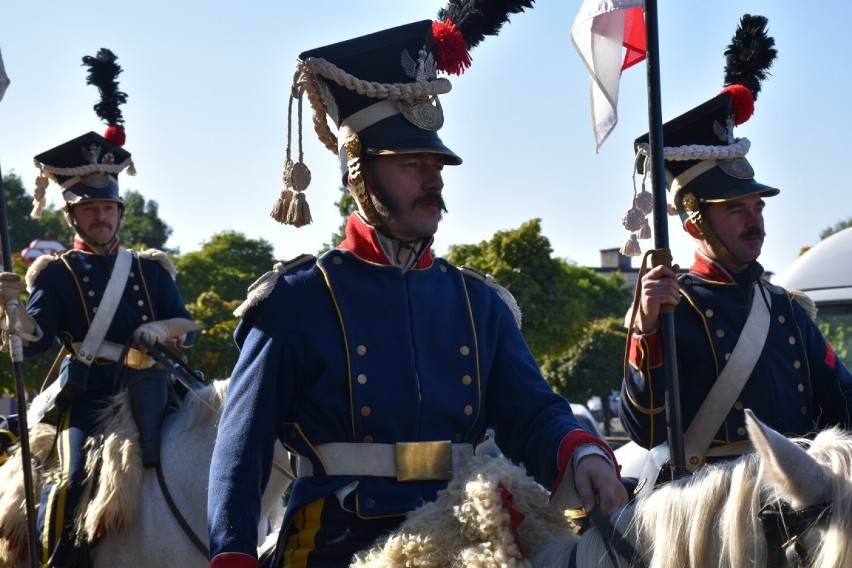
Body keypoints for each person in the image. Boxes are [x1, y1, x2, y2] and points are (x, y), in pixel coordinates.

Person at [207, 16, 627, 568]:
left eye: (438, 164)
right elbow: (241, 452)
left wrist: (582, 452)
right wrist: (232, 554)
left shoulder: (479, 305)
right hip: (336, 543)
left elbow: (534, 413)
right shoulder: (295, 300)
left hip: (471, 535)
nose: (435, 181)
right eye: (412, 165)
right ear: (358, 175)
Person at [619, 15, 852, 469]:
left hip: (798, 507)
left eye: (757, 207)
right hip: (709, 513)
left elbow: (841, 403)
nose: (755, 220)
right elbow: (646, 431)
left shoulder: (786, 310)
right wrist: (646, 328)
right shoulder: (670, 306)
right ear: (693, 223)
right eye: (736, 208)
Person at [0, 48, 199, 567]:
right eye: (91, 209)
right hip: (89, 397)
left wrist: (162, 326)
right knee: (68, 480)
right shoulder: (57, 273)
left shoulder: (151, 268)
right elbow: (37, 338)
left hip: (157, 390)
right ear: (73, 216)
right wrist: (12, 310)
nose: (103, 217)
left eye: (109, 207)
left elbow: (189, 329)